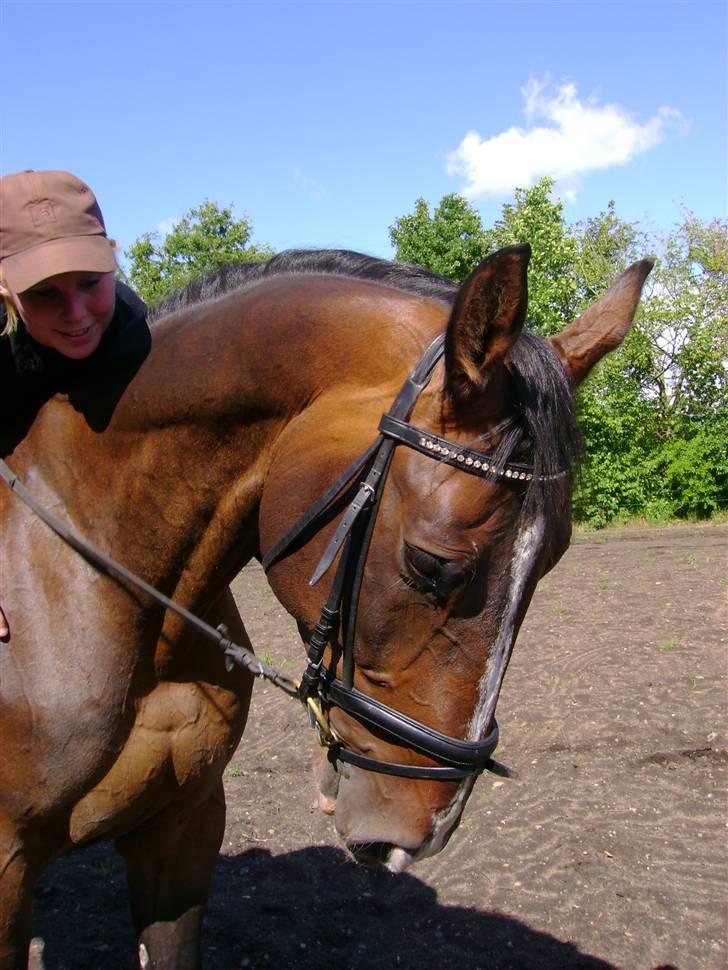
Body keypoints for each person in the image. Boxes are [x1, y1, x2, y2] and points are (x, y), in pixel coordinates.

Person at [0, 169, 151, 641]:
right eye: (44, 293)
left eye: (90, 281)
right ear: (5, 287)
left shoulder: (130, 329)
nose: (78, 313)